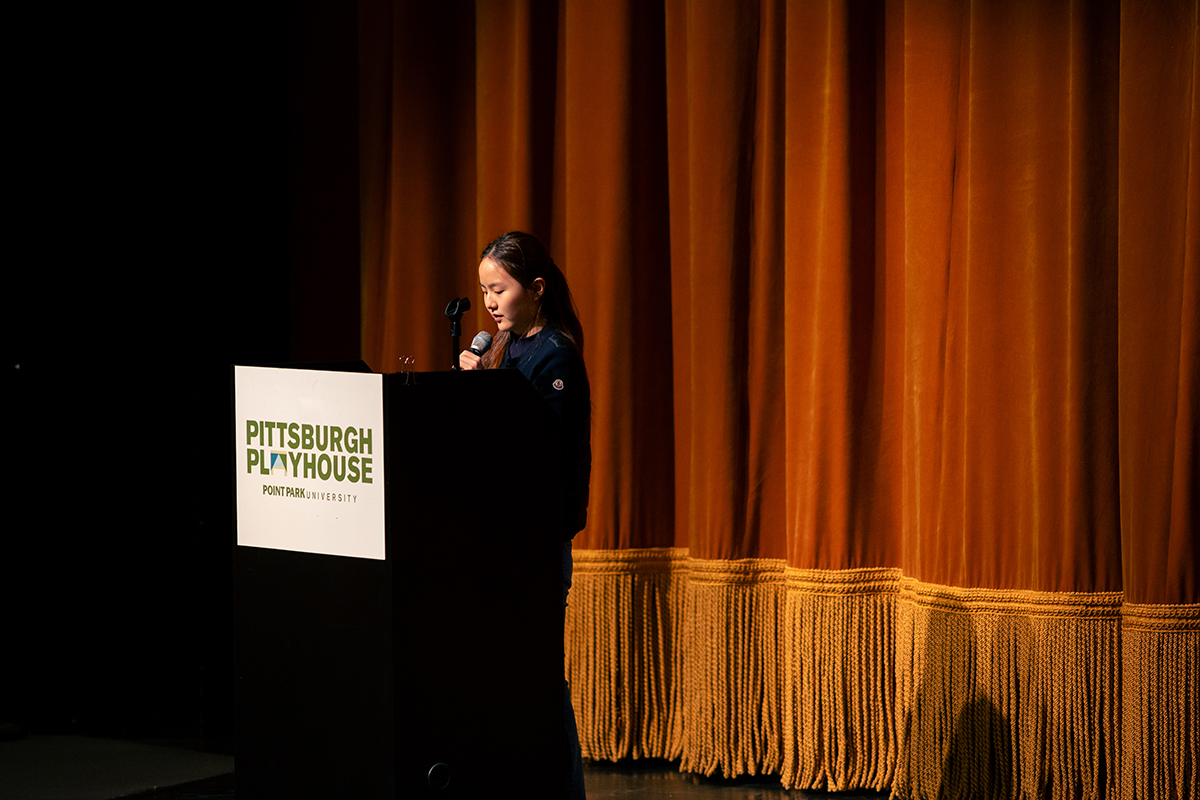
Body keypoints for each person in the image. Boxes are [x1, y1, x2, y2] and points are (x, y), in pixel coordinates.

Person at [459, 231, 590, 800]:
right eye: (484, 290)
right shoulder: (505, 348)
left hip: (535, 546)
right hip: (498, 540)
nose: (489, 303)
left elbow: (538, 451)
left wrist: (482, 398)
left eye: (500, 289)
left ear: (535, 289)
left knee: (540, 678)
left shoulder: (555, 354)